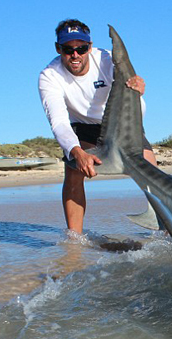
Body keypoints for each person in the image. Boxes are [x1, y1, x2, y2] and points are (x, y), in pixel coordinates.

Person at [38, 19, 157, 235]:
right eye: (68, 49)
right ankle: (75, 239)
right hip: (84, 127)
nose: (75, 55)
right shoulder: (49, 76)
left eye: (81, 48)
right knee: (73, 171)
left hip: (122, 123)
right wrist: (76, 152)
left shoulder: (105, 59)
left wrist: (138, 87)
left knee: (152, 171)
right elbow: (59, 122)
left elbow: (132, 92)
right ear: (58, 49)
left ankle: (167, 231)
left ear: (89, 47)